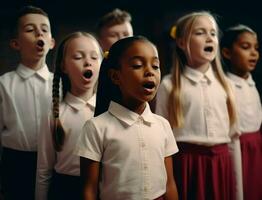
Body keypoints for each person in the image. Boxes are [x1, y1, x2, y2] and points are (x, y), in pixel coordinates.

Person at [75, 36, 179, 200]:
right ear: (116, 77)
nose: (150, 71)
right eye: (138, 65)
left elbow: (170, 184)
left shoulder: (163, 125)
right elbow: (89, 190)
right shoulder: (96, 127)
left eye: (155, 66)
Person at [155, 11, 238, 200]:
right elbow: (160, 143)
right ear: (182, 42)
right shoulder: (169, 86)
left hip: (221, 164)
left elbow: (234, 140)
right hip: (186, 166)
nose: (209, 37)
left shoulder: (227, 86)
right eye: (200, 32)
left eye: (213, 33)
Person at [35, 31, 102, 200]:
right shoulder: (54, 115)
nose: (88, 62)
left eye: (94, 57)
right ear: (64, 66)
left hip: (103, 189)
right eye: (78, 57)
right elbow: (44, 170)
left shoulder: (109, 111)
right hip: (64, 191)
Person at [0, 5, 55, 200]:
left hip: (55, 162)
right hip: (15, 163)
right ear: (15, 44)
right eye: (30, 30)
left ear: (52, 42)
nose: (39, 32)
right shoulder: (3, 84)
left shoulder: (63, 84)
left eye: (44, 29)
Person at [221, 24, 262, 200]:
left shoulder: (252, 84)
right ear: (227, 53)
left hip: (256, 147)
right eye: (245, 47)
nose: (253, 53)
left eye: (256, 48)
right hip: (238, 148)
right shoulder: (225, 86)